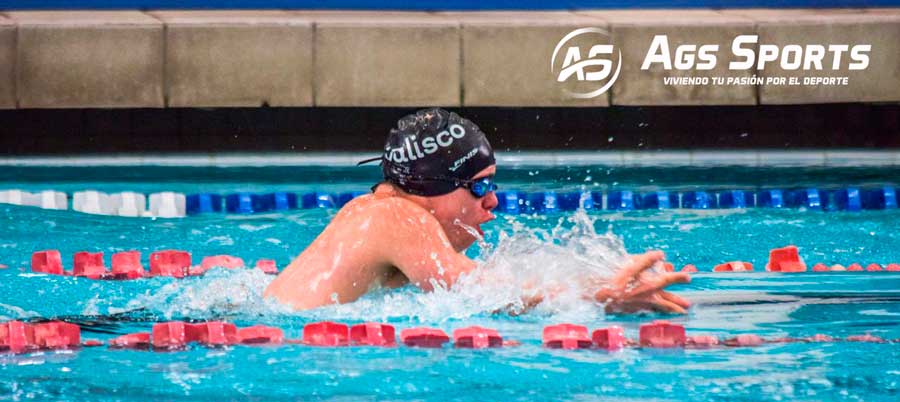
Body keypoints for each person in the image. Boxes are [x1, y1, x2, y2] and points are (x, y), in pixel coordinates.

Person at [265, 108, 690, 314]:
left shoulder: (374, 211)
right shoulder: (398, 218)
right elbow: (483, 295)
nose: (494, 201)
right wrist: (604, 293)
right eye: (480, 186)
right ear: (432, 188)